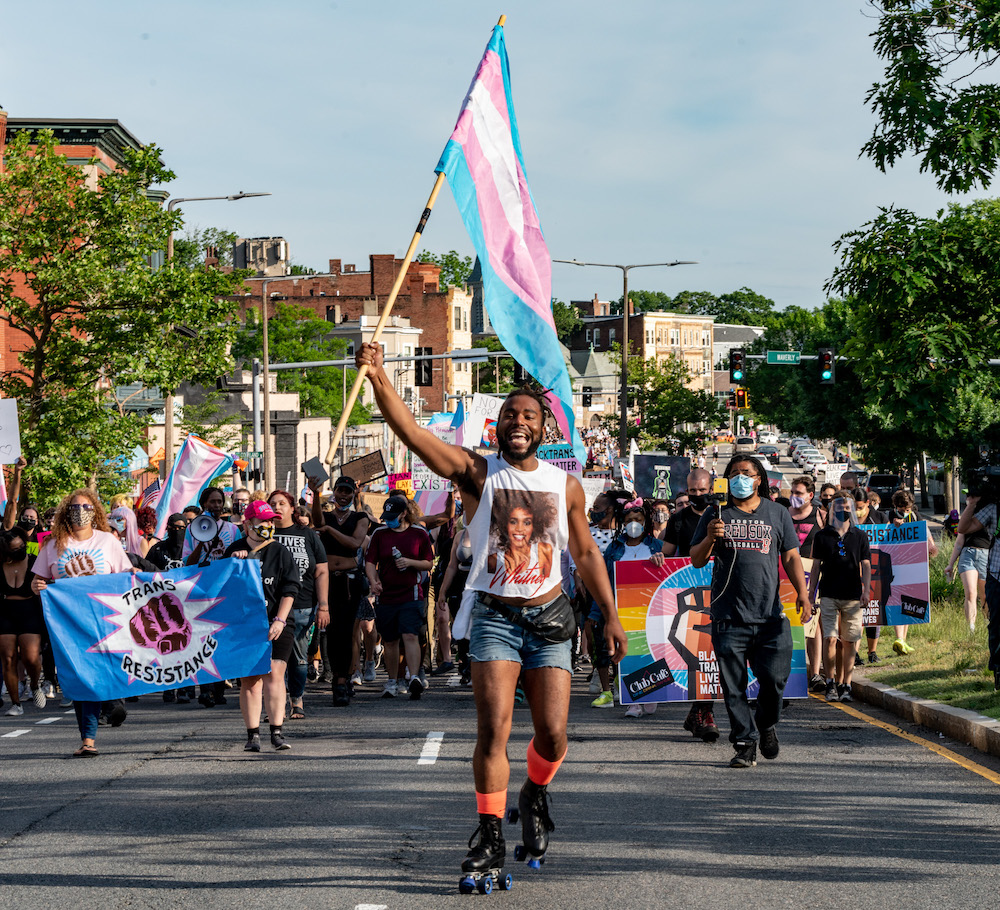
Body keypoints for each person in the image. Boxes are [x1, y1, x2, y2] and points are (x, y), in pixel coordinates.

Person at [355, 340, 626, 879]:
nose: (518, 421)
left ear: (544, 429)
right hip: (496, 621)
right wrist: (378, 376)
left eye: (529, 415)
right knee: (494, 731)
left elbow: (587, 552)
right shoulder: (478, 473)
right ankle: (490, 832)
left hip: (551, 622)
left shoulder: (564, 485)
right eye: (509, 414)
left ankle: (534, 794)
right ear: (496, 426)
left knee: (552, 736)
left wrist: (612, 615)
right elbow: (413, 434)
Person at [690, 455, 811, 768]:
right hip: (729, 618)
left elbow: (792, 557)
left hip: (771, 618)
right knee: (734, 688)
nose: (739, 478)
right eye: (733, 473)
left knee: (774, 681)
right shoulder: (715, 513)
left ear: (759, 479)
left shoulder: (777, 513)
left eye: (746, 473)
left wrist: (804, 593)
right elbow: (697, 559)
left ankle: (766, 722)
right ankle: (745, 743)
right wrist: (709, 538)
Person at [30, 490, 133, 757]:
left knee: (103, 671)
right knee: (79, 677)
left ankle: (112, 701)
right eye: (74, 507)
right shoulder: (53, 545)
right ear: (66, 512)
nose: (80, 511)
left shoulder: (108, 541)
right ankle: (88, 738)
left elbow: (124, 576)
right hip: (69, 625)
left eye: (86, 506)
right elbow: (36, 582)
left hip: (105, 620)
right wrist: (38, 585)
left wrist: (134, 574)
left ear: (95, 510)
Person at [224, 500, 300, 752]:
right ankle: (252, 735)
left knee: (275, 674)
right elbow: (221, 589)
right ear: (247, 524)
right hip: (244, 626)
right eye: (261, 521)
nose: (267, 525)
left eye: (270, 521)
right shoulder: (234, 550)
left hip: (277, 622)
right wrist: (234, 565)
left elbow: (290, 588)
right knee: (250, 679)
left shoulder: (280, 552)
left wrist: (280, 619)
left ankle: (277, 732)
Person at [661, 468, 721, 742]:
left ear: (711, 486)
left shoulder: (723, 514)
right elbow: (667, 553)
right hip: (687, 596)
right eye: (692, 491)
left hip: (720, 591)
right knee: (698, 654)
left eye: (702, 490)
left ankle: (698, 713)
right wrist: (655, 558)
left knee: (715, 653)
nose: (697, 495)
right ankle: (703, 714)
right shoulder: (677, 519)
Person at [365, 495, 434, 699]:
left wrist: (410, 562)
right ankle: (392, 681)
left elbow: (428, 563)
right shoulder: (379, 533)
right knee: (390, 639)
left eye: (393, 516)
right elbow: (370, 562)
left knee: (410, 635)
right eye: (387, 517)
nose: (389, 520)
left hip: (411, 593)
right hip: (385, 595)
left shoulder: (418, 533)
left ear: (404, 513)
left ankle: (413, 677)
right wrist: (373, 580)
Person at [601, 500, 665, 717]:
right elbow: (605, 579)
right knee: (627, 654)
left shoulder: (655, 546)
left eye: (638, 520)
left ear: (645, 522)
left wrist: (661, 561)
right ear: (622, 523)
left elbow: (667, 575)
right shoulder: (614, 549)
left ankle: (650, 693)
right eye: (629, 520)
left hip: (651, 609)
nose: (633, 524)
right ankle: (633, 702)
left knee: (649, 653)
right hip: (623, 610)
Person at [268, 489, 328, 718]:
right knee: (275, 660)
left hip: (303, 607)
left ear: (292, 508)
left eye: (282, 503)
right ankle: (277, 705)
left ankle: (297, 699)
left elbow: (321, 570)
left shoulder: (308, 535)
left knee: (299, 659)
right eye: (272, 503)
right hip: (272, 608)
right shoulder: (264, 534)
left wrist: (323, 605)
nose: (276, 507)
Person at [311, 475, 370, 702]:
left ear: (353, 494)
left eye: (347, 491)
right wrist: (316, 494)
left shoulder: (360, 517)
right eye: (340, 491)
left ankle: (343, 681)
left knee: (347, 631)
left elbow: (355, 543)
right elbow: (317, 522)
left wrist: (330, 530)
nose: (343, 495)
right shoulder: (325, 516)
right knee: (330, 631)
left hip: (349, 581)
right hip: (327, 580)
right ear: (334, 492)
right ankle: (337, 676)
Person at [808, 491, 871, 703]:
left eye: (846, 509)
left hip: (852, 595)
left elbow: (866, 564)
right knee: (830, 638)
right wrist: (810, 595)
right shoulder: (822, 536)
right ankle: (831, 682)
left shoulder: (860, 536)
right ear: (831, 511)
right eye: (838, 508)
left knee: (850, 641)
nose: (843, 512)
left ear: (852, 510)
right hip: (828, 594)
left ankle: (847, 684)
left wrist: (866, 590)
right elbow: (816, 566)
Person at [0, 528, 45, 715]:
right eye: (15, 548)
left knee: (30, 657)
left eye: (22, 546)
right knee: (8, 658)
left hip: (30, 611)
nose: (20, 550)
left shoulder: (34, 562)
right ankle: (15, 703)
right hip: (5, 612)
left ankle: (34, 684)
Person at [887, 489, 938, 655]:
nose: (905, 512)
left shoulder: (916, 515)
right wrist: (894, 523)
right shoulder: (889, 515)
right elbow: (885, 531)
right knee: (897, 598)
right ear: (896, 506)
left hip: (913, 564)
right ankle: (899, 637)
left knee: (910, 600)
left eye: (907, 508)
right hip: (895, 564)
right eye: (902, 509)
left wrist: (931, 546)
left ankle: (903, 640)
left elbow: (925, 531)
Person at [957, 492, 1000, 686]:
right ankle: (998, 670)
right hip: (997, 575)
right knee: (996, 626)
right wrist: (972, 504)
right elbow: (963, 528)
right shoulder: (994, 509)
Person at [945, 514, 989, 634]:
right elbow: (959, 541)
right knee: (970, 593)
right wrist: (950, 564)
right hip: (967, 554)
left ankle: (988, 623)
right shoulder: (968, 514)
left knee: (984, 595)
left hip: (986, 556)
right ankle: (971, 628)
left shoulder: (991, 512)